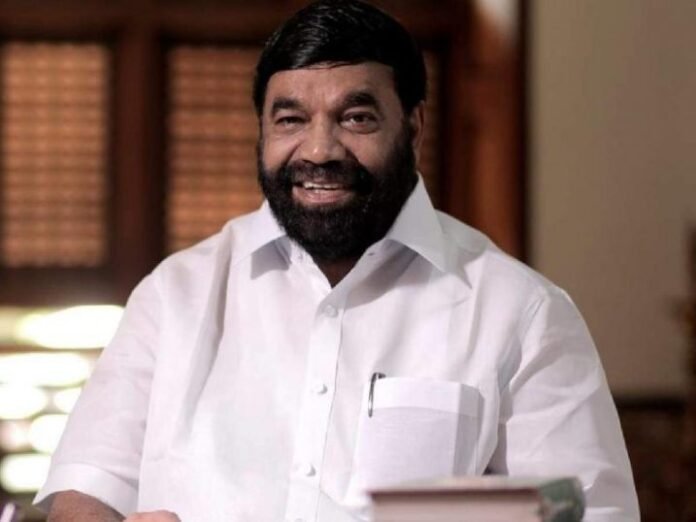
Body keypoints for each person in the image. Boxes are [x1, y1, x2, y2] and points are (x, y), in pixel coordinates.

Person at [37, 1, 640, 521]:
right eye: (290, 120)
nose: (320, 150)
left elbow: (592, 514)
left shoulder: (524, 312)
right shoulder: (173, 296)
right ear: (262, 132)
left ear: (413, 127)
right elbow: (85, 489)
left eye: (356, 117)